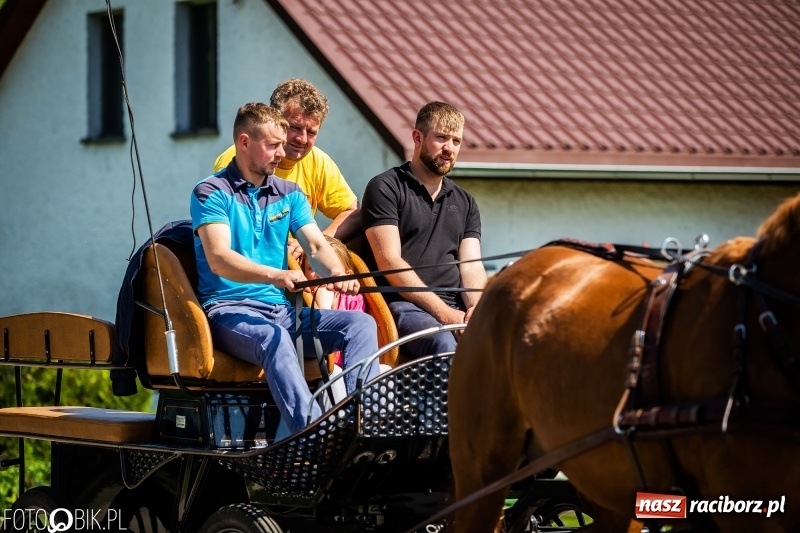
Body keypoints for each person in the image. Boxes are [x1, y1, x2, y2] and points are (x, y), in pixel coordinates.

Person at [192, 102, 379, 434]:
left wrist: (337, 274)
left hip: (281, 312)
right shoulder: (211, 192)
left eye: (282, 144)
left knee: (360, 325)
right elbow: (218, 257)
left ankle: (362, 428)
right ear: (244, 142)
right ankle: (312, 434)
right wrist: (276, 275)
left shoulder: (290, 194)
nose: (283, 153)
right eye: (273, 145)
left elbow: (317, 245)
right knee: (276, 338)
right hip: (229, 311)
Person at [360, 101, 487, 361]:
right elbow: (389, 262)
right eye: (441, 138)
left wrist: (475, 307)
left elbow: (472, 266)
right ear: (418, 137)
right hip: (403, 307)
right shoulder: (385, 187)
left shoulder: (465, 202)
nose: (449, 148)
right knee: (444, 344)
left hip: (457, 308)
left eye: (456, 141)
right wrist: (445, 314)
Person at [213, 78, 360, 258]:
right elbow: (237, 232)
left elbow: (352, 212)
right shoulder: (237, 158)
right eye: (295, 127)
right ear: (275, 119)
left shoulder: (319, 161)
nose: (303, 139)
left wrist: (318, 243)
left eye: (312, 132)